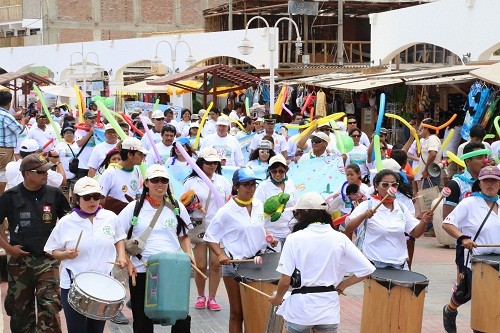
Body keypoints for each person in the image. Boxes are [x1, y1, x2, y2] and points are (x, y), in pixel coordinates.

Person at [269, 192, 376, 333]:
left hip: (301, 310)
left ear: (303, 214)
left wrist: (277, 298)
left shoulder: (294, 238)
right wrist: (342, 285)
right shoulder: (339, 238)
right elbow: (367, 269)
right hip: (328, 309)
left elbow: (285, 281)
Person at [44, 177, 128, 333]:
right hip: (73, 285)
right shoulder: (66, 222)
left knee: (96, 330)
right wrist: (66, 255)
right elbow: (53, 251)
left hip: (102, 285)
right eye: (87, 197)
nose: (92, 201)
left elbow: (119, 238)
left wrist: (121, 256)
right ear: (77, 199)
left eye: (96, 196)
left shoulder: (110, 217)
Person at [0, 153, 71, 333]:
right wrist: (8, 248)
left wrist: (62, 248)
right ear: (27, 173)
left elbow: (69, 222)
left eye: (47, 170)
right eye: (40, 172)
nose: (46, 174)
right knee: (20, 309)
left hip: (48, 260)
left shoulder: (54, 193)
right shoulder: (10, 196)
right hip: (20, 262)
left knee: (50, 306)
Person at [118, 164, 193, 333]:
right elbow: (119, 235)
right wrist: (126, 259)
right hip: (143, 270)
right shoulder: (134, 208)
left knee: (180, 315)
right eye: (155, 180)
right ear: (146, 183)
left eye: (164, 180)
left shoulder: (177, 207)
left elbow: (184, 235)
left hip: (173, 271)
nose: (160, 184)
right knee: (142, 319)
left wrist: (188, 254)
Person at [204, 168, 267, 333]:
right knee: (237, 312)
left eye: (253, 184)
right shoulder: (225, 211)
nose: (251, 188)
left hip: (257, 265)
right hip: (234, 264)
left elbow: (258, 229)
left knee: (254, 311)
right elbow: (211, 237)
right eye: (246, 184)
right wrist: (220, 254)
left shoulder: (259, 205)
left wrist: (269, 237)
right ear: (236, 187)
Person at [441, 165, 500, 333]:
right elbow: (447, 223)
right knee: (466, 293)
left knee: (493, 296)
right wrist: (463, 237)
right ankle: (450, 310)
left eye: (494, 181)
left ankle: (487, 325)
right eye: (486, 181)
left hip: (498, 260)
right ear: (479, 184)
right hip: (476, 259)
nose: (490, 184)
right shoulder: (469, 203)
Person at [346, 169, 433, 269]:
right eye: (385, 185)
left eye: (394, 185)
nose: (389, 188)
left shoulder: (401, 207)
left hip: (400, 265)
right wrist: (363, 216)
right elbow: (348, 228)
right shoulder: (367, 205)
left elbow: (415, 233)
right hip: (374, 265)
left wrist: (424, 221)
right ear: (376, 186)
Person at [182, 147, 232, 311]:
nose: (211, 165)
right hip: (199, 226)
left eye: (214, 162)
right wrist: (195, 206)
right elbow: (183, 204)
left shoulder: (223, 181)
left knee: (216, 264)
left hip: (218, 228)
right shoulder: (191, 182)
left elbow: (228, 203)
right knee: (201, 264)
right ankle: (200, 295)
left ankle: (212, 297)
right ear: (201, 163)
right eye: (208, 162)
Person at [255, 154, 297, 247]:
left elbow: (296, 207)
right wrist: (266, 234)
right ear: (269, 171)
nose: (278, 174)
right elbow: (256, 213)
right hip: (272, 235)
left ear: (286, 170)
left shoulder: (290, 184)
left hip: (290, 233)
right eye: (274, 171)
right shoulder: (263, 187)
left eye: (281, 171)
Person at [99, 137, 146, 215]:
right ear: (130, 155)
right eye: (140, 154)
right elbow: (99, 200)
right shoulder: (110, 173)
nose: (142, 157)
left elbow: (137, 194)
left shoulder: (135, 170)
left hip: (130, 217)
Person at [0, 90, 29, 194]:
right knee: (2, 175)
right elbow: (19, 130)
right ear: (9, 103)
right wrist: (23, 121)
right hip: (4, 149)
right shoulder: (6, 115)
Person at [74, 111, 97, 179]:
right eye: (90, 118)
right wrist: (90, 133)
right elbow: (80, 144)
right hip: (83, 166)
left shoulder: (98, 129)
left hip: (95, 166)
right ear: (85, 120)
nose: (93, 120)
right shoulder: (79, 131)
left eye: (94, 117)